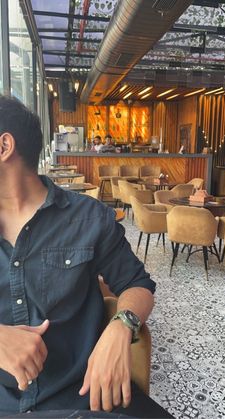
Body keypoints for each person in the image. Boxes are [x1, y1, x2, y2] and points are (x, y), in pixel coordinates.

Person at [0, 95, 173, 418]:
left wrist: (122, 324)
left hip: (84, 396)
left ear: (4, 146)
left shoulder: (89, 219)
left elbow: (138, 284)